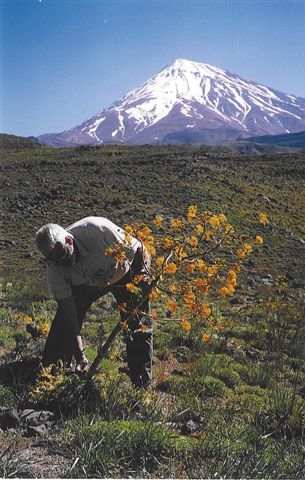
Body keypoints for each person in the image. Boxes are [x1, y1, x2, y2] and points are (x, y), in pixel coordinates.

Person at [35, 216, 152, 389]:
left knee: (137, 323)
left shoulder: (97, 231)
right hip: (91, 282)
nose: (60, 260)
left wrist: (143, 276)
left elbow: (139, 249)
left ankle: (142, 385)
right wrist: (80, 354)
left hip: (126, 271)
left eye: (61, 253)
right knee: (63, 324)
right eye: (52, 258)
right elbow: (69, 313)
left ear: (68, 240)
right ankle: (52, 377)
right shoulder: (55, 267)